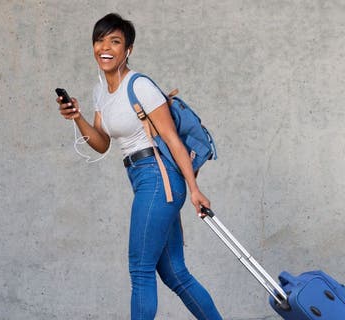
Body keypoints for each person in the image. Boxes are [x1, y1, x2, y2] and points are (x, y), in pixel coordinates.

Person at [57, 13, 223, 320]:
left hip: (158, 176)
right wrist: (77, 117)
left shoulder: (139, 85)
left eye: (115, 41)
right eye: (100, 39)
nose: (105, 47)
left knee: (140, 269)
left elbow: (172, 140)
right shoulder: (101, 93)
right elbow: (102, 143)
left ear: (128, 50)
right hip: (141, 177)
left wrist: (195, 189)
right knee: (175, 274)